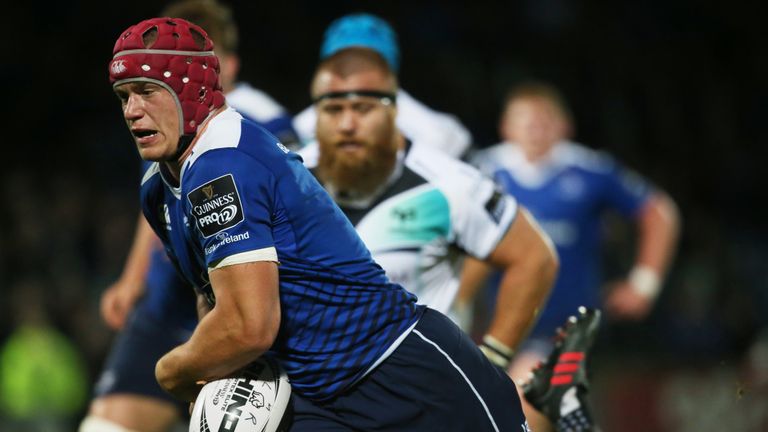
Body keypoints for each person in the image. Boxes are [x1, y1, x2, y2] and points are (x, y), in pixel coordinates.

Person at [107, 16, 544, 431]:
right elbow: (215, 298)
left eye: (147, 90)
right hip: (318, 397)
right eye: (124, 95)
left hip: (405, 373)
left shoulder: (223, 166)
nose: (132, 110)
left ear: (190, 89)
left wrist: (171, 371)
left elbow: (248, 327)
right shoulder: (159, 187)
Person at [80, 2, 299, 431]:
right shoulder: (158, 114)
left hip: (243, 295)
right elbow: (164, 202)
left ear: (225, 64)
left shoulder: (265, 123)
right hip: (169, 299)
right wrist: (132, 278)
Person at [307, 46, 558, 370]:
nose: (347, 124)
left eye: (363, 108)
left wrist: (492, 364)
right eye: (333, 109)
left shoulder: (448, 184)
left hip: (420, 397)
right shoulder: (286, 179)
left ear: (393, 111)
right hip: (315, 395)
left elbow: (535, 258)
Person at [466, 81, 680, 431]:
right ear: (506, 127)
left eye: (544, 121)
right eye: (526, 122)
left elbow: (658, 211)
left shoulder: (590, 171)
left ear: (565, 126)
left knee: (527, 398)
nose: (536, 131)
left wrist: (644, 284)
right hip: (497, 325)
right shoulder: (483, 172)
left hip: (568, 327)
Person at [293, 13, 472, 163]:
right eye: (344, 62)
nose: (354, 69)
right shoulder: (299, 128)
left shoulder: (441, 134)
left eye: (367, 62)